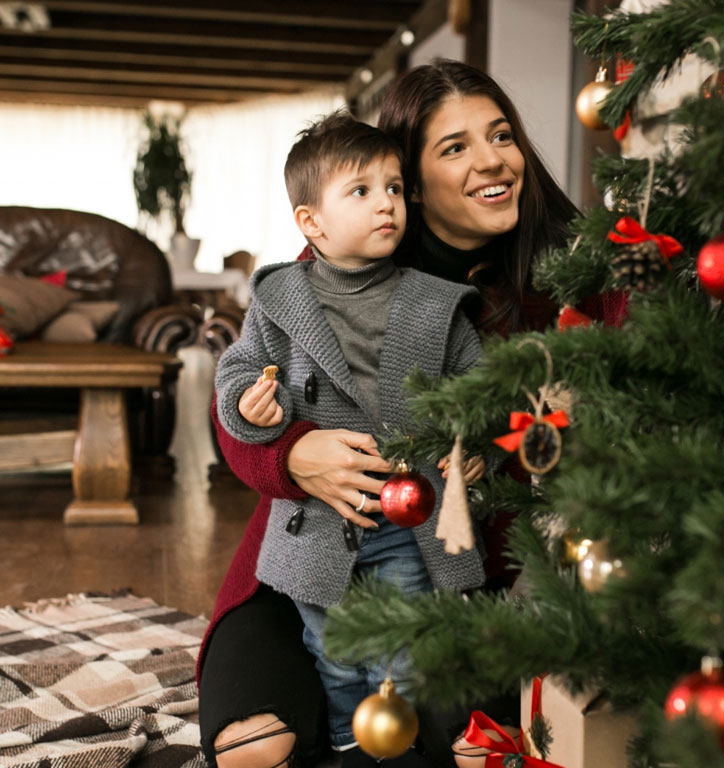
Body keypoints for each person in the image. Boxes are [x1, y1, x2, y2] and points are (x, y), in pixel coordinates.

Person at [198, 59, 628, 768]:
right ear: (412, 182)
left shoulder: (574, 275)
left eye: (500, 136)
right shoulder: (334, 264)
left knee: (439, 733)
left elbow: (642, 381)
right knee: (256, 745)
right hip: (311, 558)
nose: (493, 160)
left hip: (477, 582)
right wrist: (291, 456)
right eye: (454, 147)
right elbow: (241, 403)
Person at [211, 109, 488, 766]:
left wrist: (469, 440)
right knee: (332, 653)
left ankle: (391, 751)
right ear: (312, 222)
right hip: (314, 523)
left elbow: (476, 381)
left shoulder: (433, 301)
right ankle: (343, 742)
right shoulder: (281, 297)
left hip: (407, 519)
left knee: (406, 651)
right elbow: (240, 370)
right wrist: (250, 407)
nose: (386, 204)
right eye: (360, 192)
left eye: (393, 188)